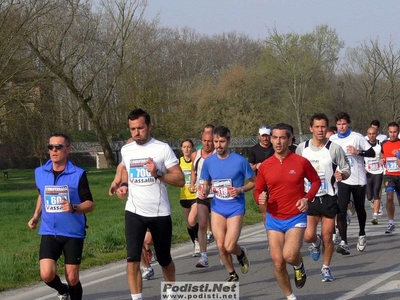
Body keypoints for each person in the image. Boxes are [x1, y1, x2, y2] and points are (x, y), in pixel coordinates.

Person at [116, 108, 185, 300]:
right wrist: (123, 185)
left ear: (149, 126)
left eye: (140, 128)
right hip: (134, 211)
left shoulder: (162, 149)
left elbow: (180, 180)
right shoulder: (126, 150)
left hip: (159, 213)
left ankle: (171, 292)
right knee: (132, 259)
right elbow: (126, 172)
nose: (136, 132)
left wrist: (158, 174)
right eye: (132, 129)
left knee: (164, 259)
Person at [254, 123, 320, 300]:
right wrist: (259, 198)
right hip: (273, 218)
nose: (277, 141)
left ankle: (298, 265)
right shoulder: (266, 166)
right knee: (277, 262)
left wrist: (307, 198)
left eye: (282, 137)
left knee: (289, 255)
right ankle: (290, 297)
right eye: (274, 137)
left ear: (290, 139)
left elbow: (315, 182)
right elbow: (257, 190)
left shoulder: (300, 162)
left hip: (295, 216)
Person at [28, 133, 94, 300]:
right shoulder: (40, 172)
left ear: (68, 149)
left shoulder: (78, 174)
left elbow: (90, 204)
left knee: (72, 276)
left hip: (73, 232)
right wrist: (36, 216)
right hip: (49, 231)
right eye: (51, 147)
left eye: (58, 147)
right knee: (46, 274)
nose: (54, 150)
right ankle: (62, 290)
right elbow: (42, 195)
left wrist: (74, 207)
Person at [296, 113, 350, 283]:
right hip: (309, 197)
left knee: (328, 236)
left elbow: (346, 168)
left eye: (323, 127)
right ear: (311, 128)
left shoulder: (334, 148)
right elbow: (296, 170)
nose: (320, 130)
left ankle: (326, 268)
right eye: (317, 127)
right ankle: (315, 241)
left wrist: (343, 175)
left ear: (327, 128)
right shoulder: (302, 148)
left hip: (328, 196)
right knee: (308, 236)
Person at [199, 126, 256, 283]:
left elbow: (254, 182)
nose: (218, 145)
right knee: (220, 245)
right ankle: (232, 274)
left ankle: (240, 253)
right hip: (218, 206)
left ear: (229, 141)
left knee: (230, 246)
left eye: (222, 142)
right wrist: (205, 190)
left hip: (235, 207)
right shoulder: (209, 162)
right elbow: (207, 182)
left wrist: (240, 189)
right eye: (216, 141)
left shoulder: (239, 161)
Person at [329, 112, 375, 255]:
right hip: (342, 179)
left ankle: (361, 234)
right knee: (341, 210)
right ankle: (344, 242)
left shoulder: (357, 138)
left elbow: (372, 153)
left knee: (360, 208)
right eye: (339, 124)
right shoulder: (332, 139)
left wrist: (358, 152)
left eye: (344, 124)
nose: (341, 127)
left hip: (358, 178)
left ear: (348, 124)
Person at [189, 131, 215, 267]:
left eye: (209, 141)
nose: (207, 144)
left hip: (216, 194)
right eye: (204, 141)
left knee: (218, 227)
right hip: (202, 194)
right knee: (203, 223)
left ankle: (224, 253)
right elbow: (194, 171)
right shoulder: (196, 155)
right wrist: (192, 184)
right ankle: (204, 257)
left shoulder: (218, 154)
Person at [178, 139, 200, 258]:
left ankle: (198, 242)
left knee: (192, 220)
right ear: (181, 149)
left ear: (192, 148)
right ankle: (196, 242)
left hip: (195, 196)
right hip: (184, 196)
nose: (186, 149)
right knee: (189, 224)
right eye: (184, 147)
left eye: (189, 147)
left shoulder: (195, 161)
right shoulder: (178, 162)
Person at [248, 125, 274, 224]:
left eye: (267, 136)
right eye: (263, 136)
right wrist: (257, 166)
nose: (265, 138)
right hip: (261, 183)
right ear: (259, 136)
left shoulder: (275, 148)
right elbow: (249, 168)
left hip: (275, 182)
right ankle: (270, 232)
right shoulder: (253, 150)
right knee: (266, 213)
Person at [381, 122, 400, 234]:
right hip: (389, 175)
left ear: (398, 132)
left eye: (395, 132)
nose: (393, 134)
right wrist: (381, 159)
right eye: (391, 132)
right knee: (389, 197)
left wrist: (398, 154)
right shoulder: (384, 143)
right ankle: (391, 222)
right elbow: (382, 154)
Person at [364, 126, 384, 225]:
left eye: (373, 134)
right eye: (370, 134)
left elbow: (384, 155)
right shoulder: (364, 145)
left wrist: (382, 159)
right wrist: (363, 166)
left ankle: (375, 215)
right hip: (368, 172)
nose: (372, 136)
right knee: (369, 196)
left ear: (377, 134)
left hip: (378, 172)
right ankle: (374, 202)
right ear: (367, 135)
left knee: (376, 192)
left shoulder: (380, 144)